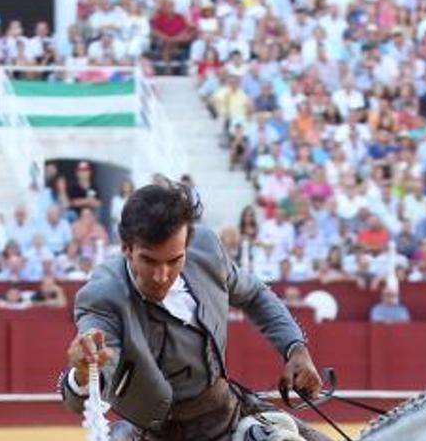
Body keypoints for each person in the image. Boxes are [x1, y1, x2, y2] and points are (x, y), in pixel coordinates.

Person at [59, 179, 330, 441]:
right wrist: (84, 372)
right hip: (160, 435)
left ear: (187, 244)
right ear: (127, 249)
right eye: (149, 261)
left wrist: (295, 348)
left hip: (229, 410)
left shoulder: (206, 249)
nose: (162, 276)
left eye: (174, 260)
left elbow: (255, 295)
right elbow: (96, 372)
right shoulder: (103, 296)